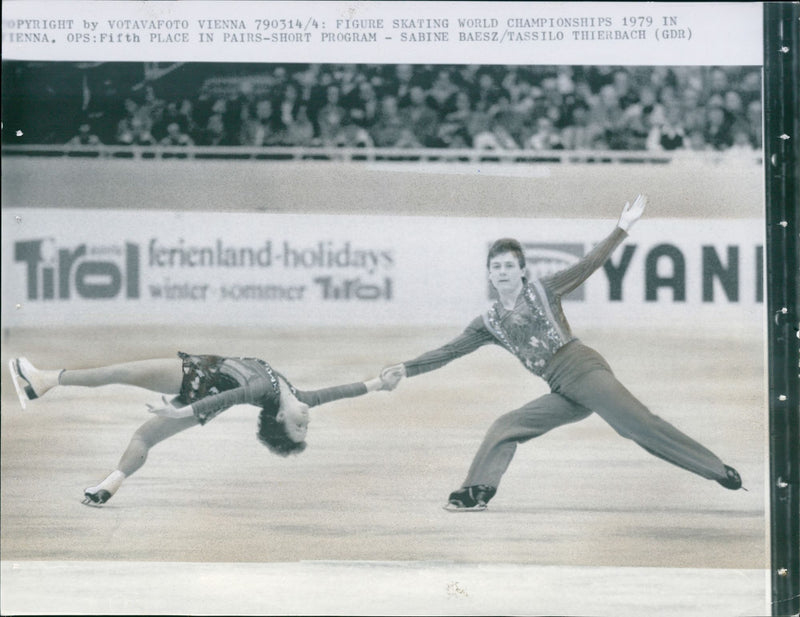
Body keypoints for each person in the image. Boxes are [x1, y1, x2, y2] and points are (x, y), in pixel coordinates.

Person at [382, 194, 744, 512]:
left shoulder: (543, 290)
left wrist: (622, 228)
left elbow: (588, 264)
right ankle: (476, 491)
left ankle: (718, 470)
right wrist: (406, 368)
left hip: (584, 369)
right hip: (562, 389)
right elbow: (448, 351)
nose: (503, 271)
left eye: (510, 266)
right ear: (489, 275)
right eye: (497, 267)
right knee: (506, 426)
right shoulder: (488, 322)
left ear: (522, 271)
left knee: (639, 426)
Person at [9, 353, 403, 507]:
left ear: (281, 419)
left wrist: (185, 412)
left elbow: (230, 398)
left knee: (119, 372)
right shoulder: (302, 397)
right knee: (145, 437)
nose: (307, 419)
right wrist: (378, 384)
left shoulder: (267, 391)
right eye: (307, 425)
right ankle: (109, 484)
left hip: (197, 376)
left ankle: (45, 380)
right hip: (202, 396)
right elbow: (341, 392)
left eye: (300, 426)